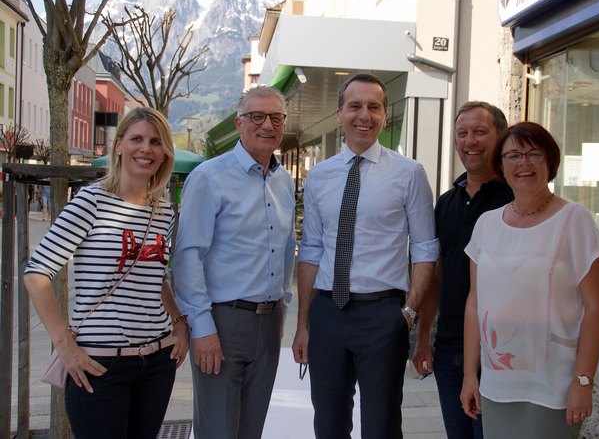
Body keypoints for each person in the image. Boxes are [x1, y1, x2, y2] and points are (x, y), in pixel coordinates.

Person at [23, 107, 189, 439]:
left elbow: (154, 276)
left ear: (164, 153)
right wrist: (64, 345)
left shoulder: (164, 211)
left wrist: (180, 323)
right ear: (118, 146)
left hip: (157, 362)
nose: (146, 149)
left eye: (156, 142)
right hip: (99, 364)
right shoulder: (91, 202)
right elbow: (37, 272)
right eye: (136, 139)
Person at [292, 73, 440, 438]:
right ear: (340, 113)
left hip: (383, 316)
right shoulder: (320, 176)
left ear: (385, 116)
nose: (365, 115)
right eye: (355, 106)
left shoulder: (409, 174)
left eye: (374, 107)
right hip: (327, 313)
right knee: (328, 424)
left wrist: (409, 313)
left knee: (382, 426)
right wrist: (304, 323)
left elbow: (424, 248)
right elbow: (311, 249)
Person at [461, 122, 599, 438]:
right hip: (497, 384)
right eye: (513, 156)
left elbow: (598, 307)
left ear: (550, 161)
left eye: (533, 154)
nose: (524, 164)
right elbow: (475, 301)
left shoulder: (575, 220)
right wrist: (469, 375)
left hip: (552, 386)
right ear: (500, 165)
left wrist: (583, 381)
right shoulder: (487, 224)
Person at [172, 86, 296, 438]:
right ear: (239, 124)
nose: (267, 125)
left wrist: (282, 308)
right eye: (257, 116)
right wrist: (202, 326)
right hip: (222, 323)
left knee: (250, 429)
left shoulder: (284, 182)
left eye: (276, 117)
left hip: (268, 323)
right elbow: (186, 256)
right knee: (218, 429)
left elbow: (287, 250)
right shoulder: (209, 177)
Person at [412, 101, 512, 438]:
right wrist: (424, 337)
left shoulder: (515, 199)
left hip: (500, 349)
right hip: (450, 347)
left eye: (480, 132)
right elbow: (438, 276)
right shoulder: (446, 202)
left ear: (501, 136)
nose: (470, 141)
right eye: (462, 133)